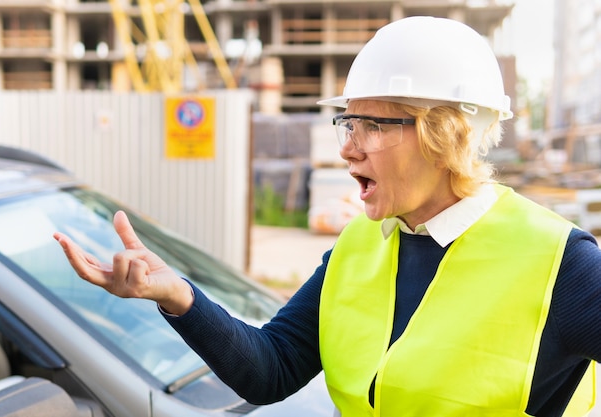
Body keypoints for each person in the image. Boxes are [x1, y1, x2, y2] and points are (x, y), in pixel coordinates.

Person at [53, 16, 601, 417]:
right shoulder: (360, 247)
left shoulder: (561, 264)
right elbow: (270, 369)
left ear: (444, 134)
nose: (348, 147)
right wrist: (179, 296)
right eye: (348, 123)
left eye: (373, 125)